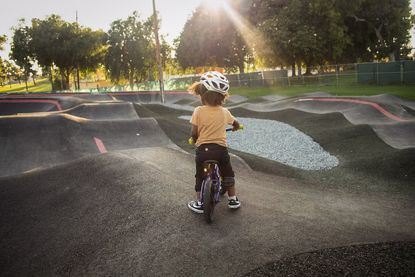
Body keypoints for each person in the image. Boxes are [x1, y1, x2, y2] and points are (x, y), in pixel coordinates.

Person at [187, 71, 241, 214]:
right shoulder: (225, 112)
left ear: (202, 94)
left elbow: (194, 132)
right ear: (223, 96)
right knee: (228, 173)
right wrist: (236, 127)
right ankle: (233, 199)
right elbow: (235, 123)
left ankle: (199, 202)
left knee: (200, 175)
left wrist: (194, 139)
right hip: (221, 151)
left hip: (203, 151)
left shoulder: (198, 111)